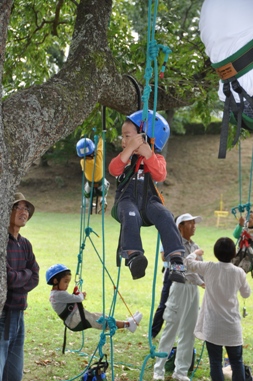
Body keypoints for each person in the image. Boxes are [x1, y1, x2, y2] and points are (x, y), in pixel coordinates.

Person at [108, 110, 185, 282]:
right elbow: (114, 169)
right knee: (130, 214)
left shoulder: (155, 158)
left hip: (150, 202)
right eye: (123, 136)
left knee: (166, 215)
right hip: (126, 201)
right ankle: (133, 255)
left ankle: (176, 259)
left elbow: (160, 175)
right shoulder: (125, 159)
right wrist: (129, 149)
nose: (123, 140)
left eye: (127, 136)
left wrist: (148, 154)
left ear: (145, 137)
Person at [184, 237, 251, 381]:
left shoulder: (209, 267)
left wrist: (195, 252)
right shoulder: (238, 272)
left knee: (215, 363)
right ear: (234, 254)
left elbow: (188, 263)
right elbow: (246, 293)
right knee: (237, 363)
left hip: (213, 325)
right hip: (232, 326)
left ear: (215, 253)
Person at [153, 213, 204, 381]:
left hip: (192, 291)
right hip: (179, 288)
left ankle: (181, 371)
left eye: (194, 223)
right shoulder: (174, 245)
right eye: (190, 223)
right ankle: (158, 370)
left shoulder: (195, 245)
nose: (194, 226)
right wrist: (200, 279)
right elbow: (180, 269)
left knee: (189, 331)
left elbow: (199, 269)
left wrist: (204, 281)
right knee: (171, 329)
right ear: (180, 227)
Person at [0, 192, 39, 381]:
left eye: (26, 209)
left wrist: (20, 277)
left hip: (19, 314)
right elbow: (7, 279)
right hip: (2, 315)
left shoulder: (25, 244)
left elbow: (36, 276)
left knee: (14, 375)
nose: (24, 212)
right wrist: (25, 275)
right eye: (18, 207)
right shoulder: (1, 242)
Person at [46, 264, 142, 333]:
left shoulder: (56, 294)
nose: (67, 285)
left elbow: (72, 299)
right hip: (75, 320)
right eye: (65, 281)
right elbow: (78, 299)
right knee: (101, 320)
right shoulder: (58, 295)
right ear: (55, 281)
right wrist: (81, 295)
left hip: (76, 317)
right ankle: (128, 325)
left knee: (101, 317)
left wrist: (77, 295)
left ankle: (128, 323)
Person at [76, 136, 110, 212]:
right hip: (101, 183)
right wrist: (101, 138)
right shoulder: (98, 157)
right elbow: (100, 147)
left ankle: (85, 204)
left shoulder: (82, 162)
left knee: (86, 193)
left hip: (90, 184)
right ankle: (103, 200)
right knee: (106, 184)